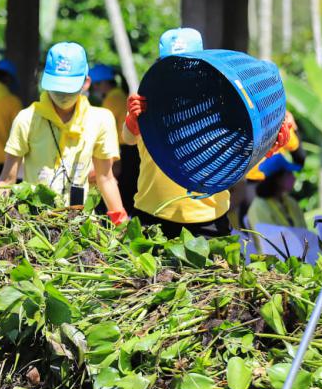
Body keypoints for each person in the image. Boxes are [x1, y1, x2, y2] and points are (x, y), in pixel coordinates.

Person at [124, 28, 298, 238]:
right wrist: (132, 121)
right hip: (153, 214)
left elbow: (239, 155)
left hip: (208, 218)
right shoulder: (149, 101)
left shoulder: (222, 104)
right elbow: (129, 139)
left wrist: (269, 145)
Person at [0, 42, 128, 223]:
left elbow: (105, 178)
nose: (63, 95)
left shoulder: (101, 119)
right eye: (57, 88)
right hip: (34, 223)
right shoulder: (27, 119)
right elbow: (7, 180)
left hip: (80, 223)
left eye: (69, 88)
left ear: (86, 83)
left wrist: (120, 220)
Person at [246, 152, 307, 229]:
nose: (293, 177)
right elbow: (268, 235)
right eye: (289, 174)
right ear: (277, 179)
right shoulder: (259, 207)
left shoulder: (291, 202)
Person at [89, 64, 128, 129]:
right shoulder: (117, 94)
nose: (95, 88)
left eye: (97, 83)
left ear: (107, 82)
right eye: (93, 84)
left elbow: (102, 124)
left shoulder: (114, 97)